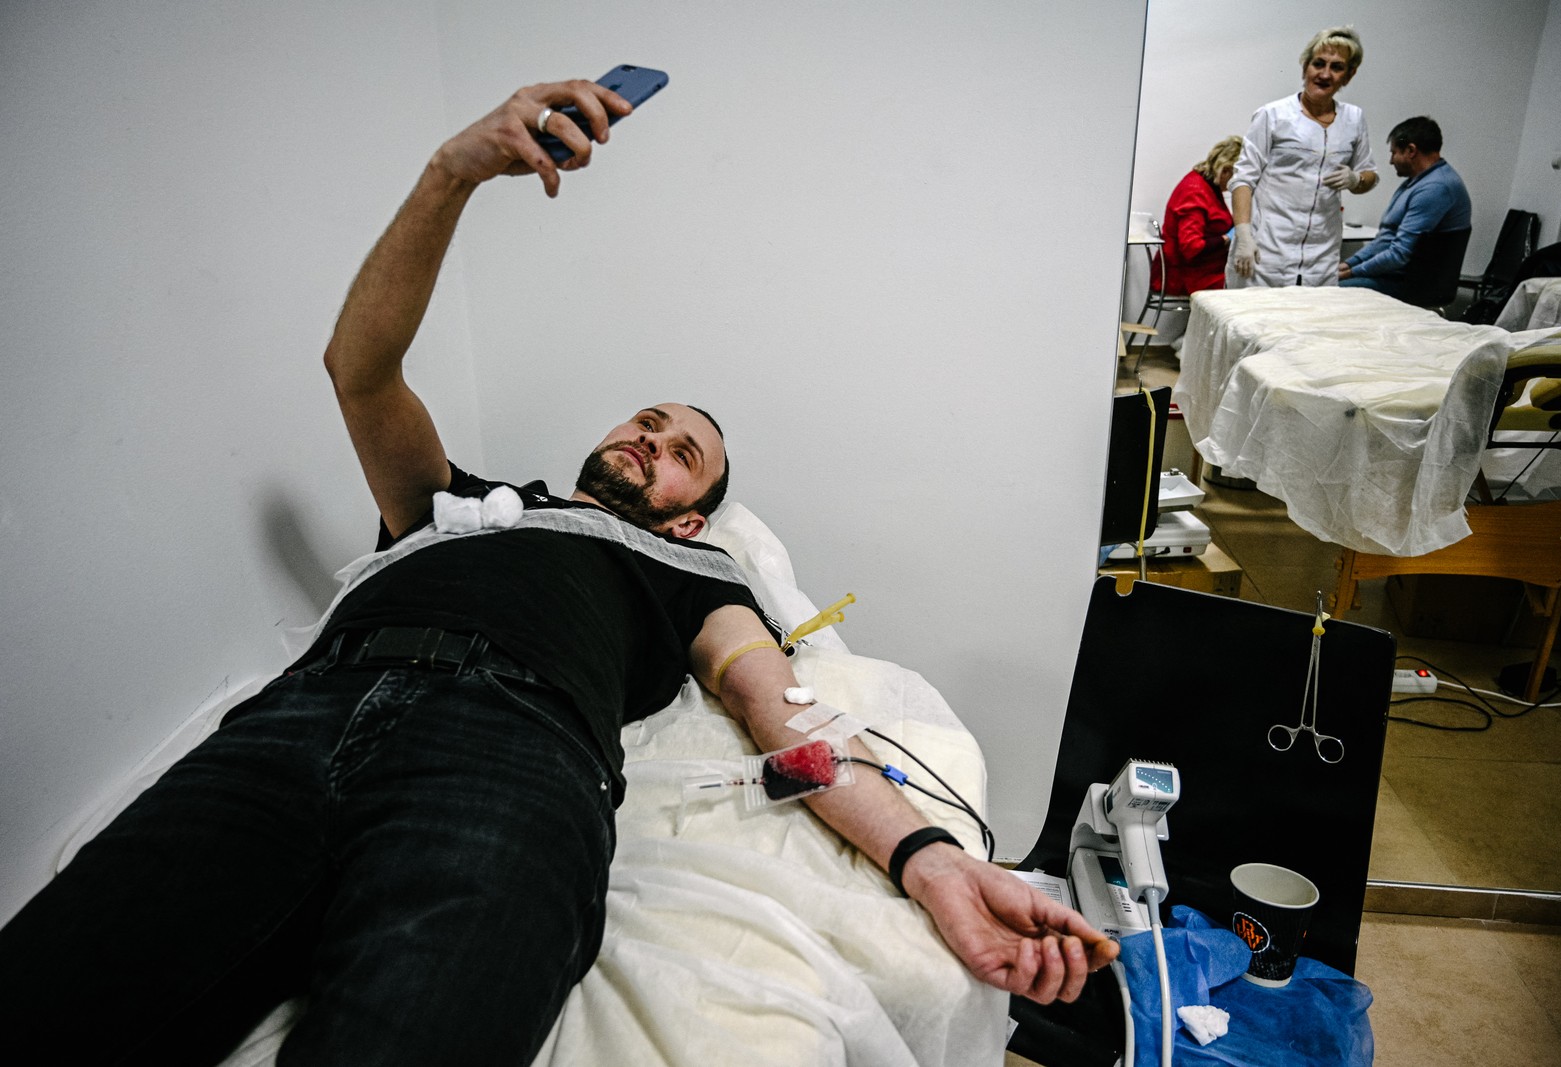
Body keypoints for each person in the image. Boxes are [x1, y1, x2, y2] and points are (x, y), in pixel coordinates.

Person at [0, 78, 1117, 1065]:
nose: (653, 443)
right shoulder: (452, 507)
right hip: (295, 719)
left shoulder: (688, 573)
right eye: (649, 421)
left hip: (509, 759)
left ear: (693, 520)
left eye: (687, 456)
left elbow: (787, 719)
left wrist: (926, 859)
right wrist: (453, 172)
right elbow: (359, 367)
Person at [1228, 26, 1379, 288]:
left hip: (1321, 253)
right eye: (1318, 64)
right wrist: (1243, 235)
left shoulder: (1354, 119)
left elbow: (1370, 174)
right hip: (1268, 248)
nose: (1324, 74)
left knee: (1311, 324)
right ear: (1304, 67)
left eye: (1337, 67)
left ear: (1349, 75)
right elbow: (1243, 179)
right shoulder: (1273, 115)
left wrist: (1356, 179)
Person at [1338, 116, 1472, 295]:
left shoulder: (1436, 188)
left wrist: (1350, 273)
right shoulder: (1416, 182)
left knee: (1329, 292)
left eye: (1394, 153)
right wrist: (1348, 264)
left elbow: (1399, 254)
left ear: (1411, 150)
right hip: (1395, 276)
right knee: (1324, 283)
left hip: (1411, 284)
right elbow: (1385, 238)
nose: (1391, 161)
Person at [1152, 136, 1242, 297]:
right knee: (1249, 287)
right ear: (1226, 170)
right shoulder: (1195, 191)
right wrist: (1227, 238)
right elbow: (1192, 247)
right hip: (1187, 276)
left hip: (1206, 270)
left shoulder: (1208, 186)